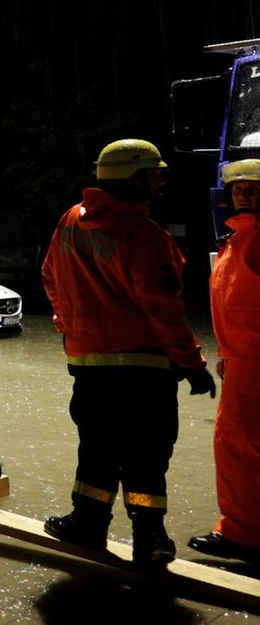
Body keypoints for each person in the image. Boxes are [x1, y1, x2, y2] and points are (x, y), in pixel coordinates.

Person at [40, 138, 215, 567]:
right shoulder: (144, 235)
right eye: (153, 177)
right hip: (144, 366)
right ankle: (149, 538)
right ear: (130, 178)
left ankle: (87, 525)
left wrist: (69, 324)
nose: (159, 185)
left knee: (96, 448)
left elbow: (50, 277)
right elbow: (163, 309)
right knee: (146, 454)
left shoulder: (70, 220)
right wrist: (192, 364)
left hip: (87, 364)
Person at [190, 158, 260, 562]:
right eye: (238, 190)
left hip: (254, 360)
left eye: (252, 189)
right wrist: (226, 352)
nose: (244, 195)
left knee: (238, 446)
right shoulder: (238, 239)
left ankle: (243, 534)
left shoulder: (252, 240)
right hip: (241, 357)